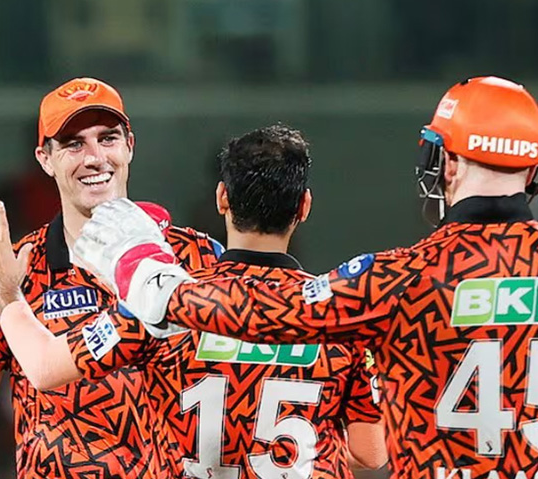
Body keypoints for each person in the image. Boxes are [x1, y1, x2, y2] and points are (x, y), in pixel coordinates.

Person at [71, 76, 538, 479]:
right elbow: (370, 450)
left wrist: (148, 275)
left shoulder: (397, 279)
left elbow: (268, 311)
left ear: (448, 163)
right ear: (531, 167)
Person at [0, 124, 388, 478]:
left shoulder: (169, 303)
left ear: (221, 199)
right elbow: (373, 453)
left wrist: (6, 293)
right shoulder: (341, 315)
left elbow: (45, 369)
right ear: (304, 207)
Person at [0, 77, 221, 479]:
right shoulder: (10, 271)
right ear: (45, 159)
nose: (94, 158)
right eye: (74, 144)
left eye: (107, 139)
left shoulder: (199, 258)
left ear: (130, 145)